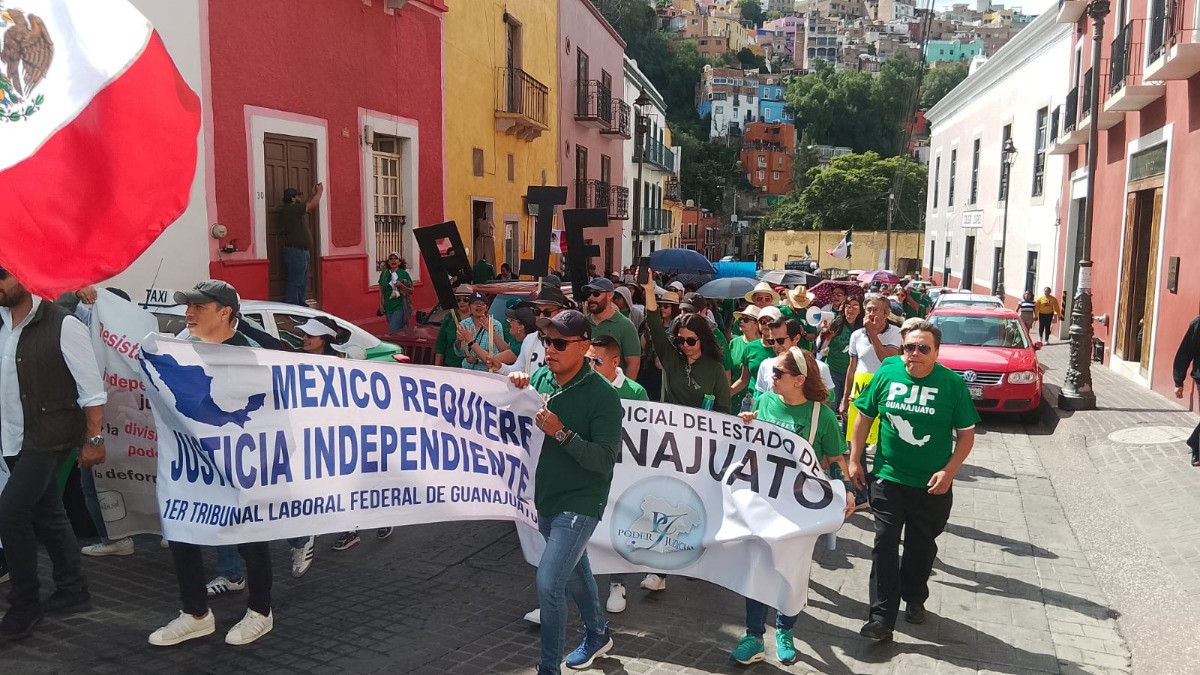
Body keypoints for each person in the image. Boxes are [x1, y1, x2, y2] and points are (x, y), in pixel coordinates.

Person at [151, 281, 274, 646]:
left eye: (199, 307)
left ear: (225, 312)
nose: (189, 312)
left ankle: (261, 612)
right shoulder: (179, 350)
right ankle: (195, 614)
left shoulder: (251, 354)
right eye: (188, 305)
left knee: (251, 538)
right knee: (182, 534)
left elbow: (270, 410)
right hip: (191, 464)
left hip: (241, 464)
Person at [848, 319, 979, 641]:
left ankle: (915, 595)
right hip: (888, 477)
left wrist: (949, 471)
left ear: (936, 352)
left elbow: (966, 436)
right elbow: (864, 419)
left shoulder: (951, 384)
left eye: (923, 348)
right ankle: (880, 618)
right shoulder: (888, 372)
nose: (914, 354)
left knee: (921, 548)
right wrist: (855, 458)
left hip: (931, 486)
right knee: (884, 543)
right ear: (902, 348)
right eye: (909, 347)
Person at [508, 310, 620, 674]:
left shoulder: (603, 396)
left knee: (549, 581)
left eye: (559, 343)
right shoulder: (541, 377)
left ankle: (548, 668)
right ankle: (598, 633)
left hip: (582, 501)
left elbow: (604, 460)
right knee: (575, 571)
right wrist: (516, 383)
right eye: (546, 341)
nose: (550, 350)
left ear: (585, 346)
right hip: (547, 497)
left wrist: (561, 432)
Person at [0, 268, 107, 641]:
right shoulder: (1, 323)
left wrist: (94, 441)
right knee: (49, 513)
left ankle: (25, 605)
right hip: (12, 436)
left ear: (26, 277)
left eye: (2, 276)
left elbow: (92, 390)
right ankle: (73, 588)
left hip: (48, 437)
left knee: (10, 512)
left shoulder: (62, 324)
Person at [731, 347, 855, 665]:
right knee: (757, 567)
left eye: (778, 373)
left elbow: (836, 459)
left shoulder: (821, 416)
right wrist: (746, 423)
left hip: (800, 507)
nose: (771, 376)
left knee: (791, 572)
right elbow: (749, 444)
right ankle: (753, 636)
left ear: (799, 379)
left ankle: (785, 630)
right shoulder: (766, 401)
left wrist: (848, 492)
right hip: (763, 500)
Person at [293, 316, 396, 549]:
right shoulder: (298, 361)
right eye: (304, 335)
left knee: (348, 480)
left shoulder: (342, 363)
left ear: (325, 339)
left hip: (346, 430)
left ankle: (354, 528)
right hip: (317, 432)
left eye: (310, 335)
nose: (305, 339)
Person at [584, 334, 649, 614]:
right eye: (588, 360)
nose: (591, 366)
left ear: (614, 362)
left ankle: (617, 583)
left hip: (621, 472)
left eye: (596, 361)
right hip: (588, 469)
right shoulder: (582, 385)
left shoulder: (635, 392)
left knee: (616, 527)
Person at [839, 294, 902, 446]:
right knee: (856, 436)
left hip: (884, 390)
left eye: (876, 310)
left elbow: (887, 361)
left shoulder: (895, 333)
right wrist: (845, 398)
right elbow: (852, 367)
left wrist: (873, 333)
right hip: (860, 390)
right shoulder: (857, 335)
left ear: (886, 314)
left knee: (881, 434)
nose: (871, 314)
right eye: (868, 310)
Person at [584, 278, 641, 379]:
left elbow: (633, 364)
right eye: (588, 294)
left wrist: (623, 392)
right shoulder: (581, 323)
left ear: (610, 295)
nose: (591, 298)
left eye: (596, 293)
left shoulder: (625, 325)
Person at [280, 184, 323, 306]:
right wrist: (320, 192)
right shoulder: (291, 209)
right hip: (296, 252)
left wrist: (312, 194)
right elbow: (311, 205)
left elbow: (307, 204)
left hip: (300, 252)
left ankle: (299, 305)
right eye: (298, 196)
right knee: (295, 282)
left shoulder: (295, 210)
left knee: (301, 281)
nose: (300, 198)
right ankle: (292, 308)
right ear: (292, 199)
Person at [819, 297, 863, 408]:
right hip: (833, 370)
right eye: (848, 306)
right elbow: (821, 348)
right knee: (831, 405)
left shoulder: (863, 327)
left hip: (853, 373)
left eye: (855, 306)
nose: (851, 309)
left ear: (860, 310)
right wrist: (825, 336)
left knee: (848, 407)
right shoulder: (836, 323)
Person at [728, 305, 774, 412]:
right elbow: (743, 379)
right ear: (758, 323)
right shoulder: (749, 347)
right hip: (751, 400)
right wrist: (724, 396)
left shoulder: (781, 348)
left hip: (774, 403)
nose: (766, 325)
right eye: (762, 321)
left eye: (770, 322)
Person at [1173, 315, 1200, 466]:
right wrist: (1179, 380)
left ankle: (1194, 441)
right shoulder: (1198, 323)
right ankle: (1197, 447)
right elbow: (1185, 352)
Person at [455, 291, 504, 371]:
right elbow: (459, 353)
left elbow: (498, 354)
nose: (479, 305)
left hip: (487, 371)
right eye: (475, 303)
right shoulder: (463, 324)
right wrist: (459, 341)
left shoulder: (495, 325)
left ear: (487, 308)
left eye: (482, 303)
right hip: (467, 371)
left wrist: (477, 360)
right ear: (470, 307)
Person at [494, 306, 541, 376]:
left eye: (512, 320)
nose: (510, 323)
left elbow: (494, 360)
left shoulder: (524, 344)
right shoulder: (516, 339)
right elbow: (505, 349)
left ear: (521, 327)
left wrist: (472, 343)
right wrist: (491, 332)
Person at [434, 286, 472, 368]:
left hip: (473, 367)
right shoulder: (449, 317)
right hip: (451, 366)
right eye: (458, 299)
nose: (461, 302)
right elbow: (441, 344)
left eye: (465, 299)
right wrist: (437, 369)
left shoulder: (476, 318)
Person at [377, 253, 413, 333]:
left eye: (395, 258)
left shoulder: (403, 274)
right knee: (397, 332)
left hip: (399, 306)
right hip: (388, 307)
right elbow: (380, 289)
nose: (393, 260)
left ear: (399, 262)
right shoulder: (384, 274)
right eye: (391, 258)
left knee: (392, 331)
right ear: (388, 262)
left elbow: (411, 291)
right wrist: (380, 304)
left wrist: (402, 286)